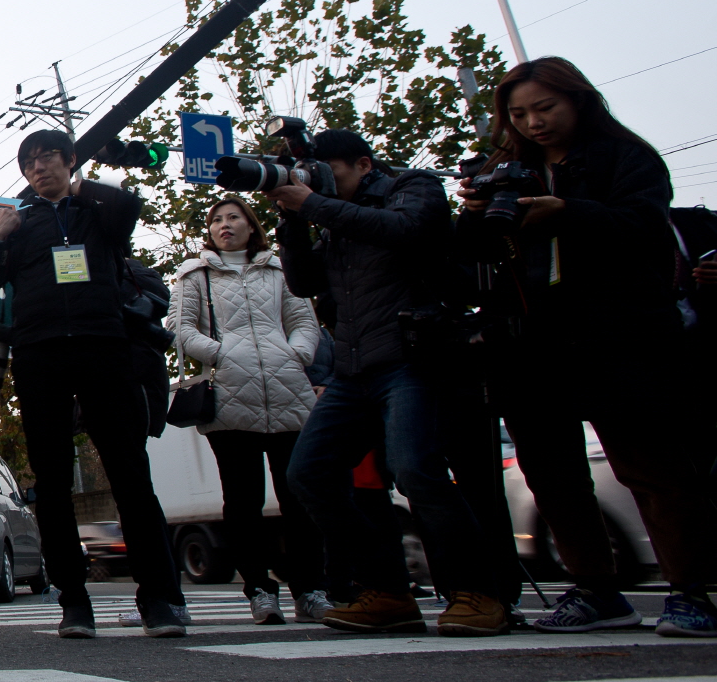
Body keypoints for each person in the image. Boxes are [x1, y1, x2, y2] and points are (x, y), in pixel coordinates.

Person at [456, 57, 716, 637]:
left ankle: (692, 590)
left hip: (621, 332)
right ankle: (596, 590)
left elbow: (645, 224)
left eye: (544, 108)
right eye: (519, 114)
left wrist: (568, 212)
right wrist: (475, 212)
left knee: (650, 465)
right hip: (531, 339)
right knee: (552, 472)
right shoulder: (507, 169)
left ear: (579, 100)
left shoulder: (627, 157)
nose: (533, 123)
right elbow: (473, 253)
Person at [275, 129, 505, 636]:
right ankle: (387, 591)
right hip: (353, 368)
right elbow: (305, 282)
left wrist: (312, 204)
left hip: (413, 358)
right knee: (309, 474)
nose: (319, 183)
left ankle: (479, 592)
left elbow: (407, 230)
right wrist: (292, 221)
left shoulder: (411, 187)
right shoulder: (332, 218)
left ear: (363, 164)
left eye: (329, 172)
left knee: (415, 471)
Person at [0, 129, 186, 638]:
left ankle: (159, 600)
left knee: (130, 474)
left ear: (69, 160)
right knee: (53, 482)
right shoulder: (19, 226)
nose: (38, 168)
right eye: (29, 163)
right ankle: (75, 603)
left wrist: (79, 188)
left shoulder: (97, 214)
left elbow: (128, 207)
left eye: (47, 158)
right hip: (40, 356)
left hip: (105, 349)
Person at [169, 196, 326, 625]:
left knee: (299, 497)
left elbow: (304, 321)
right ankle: (259, 590)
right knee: (243, 501)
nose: (224, 225)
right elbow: (180, 328)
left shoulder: (279, 269)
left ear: (251, 226)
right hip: (229, 396)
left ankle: (310, 589)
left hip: (289, 393)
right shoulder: (194, 274)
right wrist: (222, 354)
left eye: (233, 217)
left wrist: (296, 354)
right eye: (216, 220)